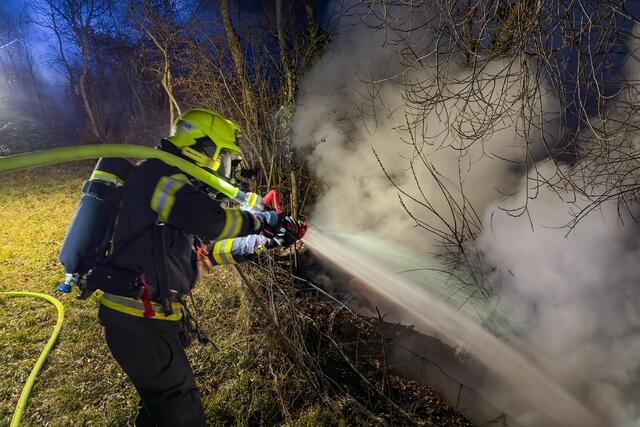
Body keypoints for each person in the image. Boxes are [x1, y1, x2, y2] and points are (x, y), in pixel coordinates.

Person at [95, 108, 302, 426]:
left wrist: (260, 242)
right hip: (138, 323)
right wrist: (266, 222)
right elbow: (213, 222)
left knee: (160, 407)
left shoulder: (174, 190)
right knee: (180, 412)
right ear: (204, 148)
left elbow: (205, 250)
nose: (229, 169)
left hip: (145, 320)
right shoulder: (158, 176)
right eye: (227, 159)